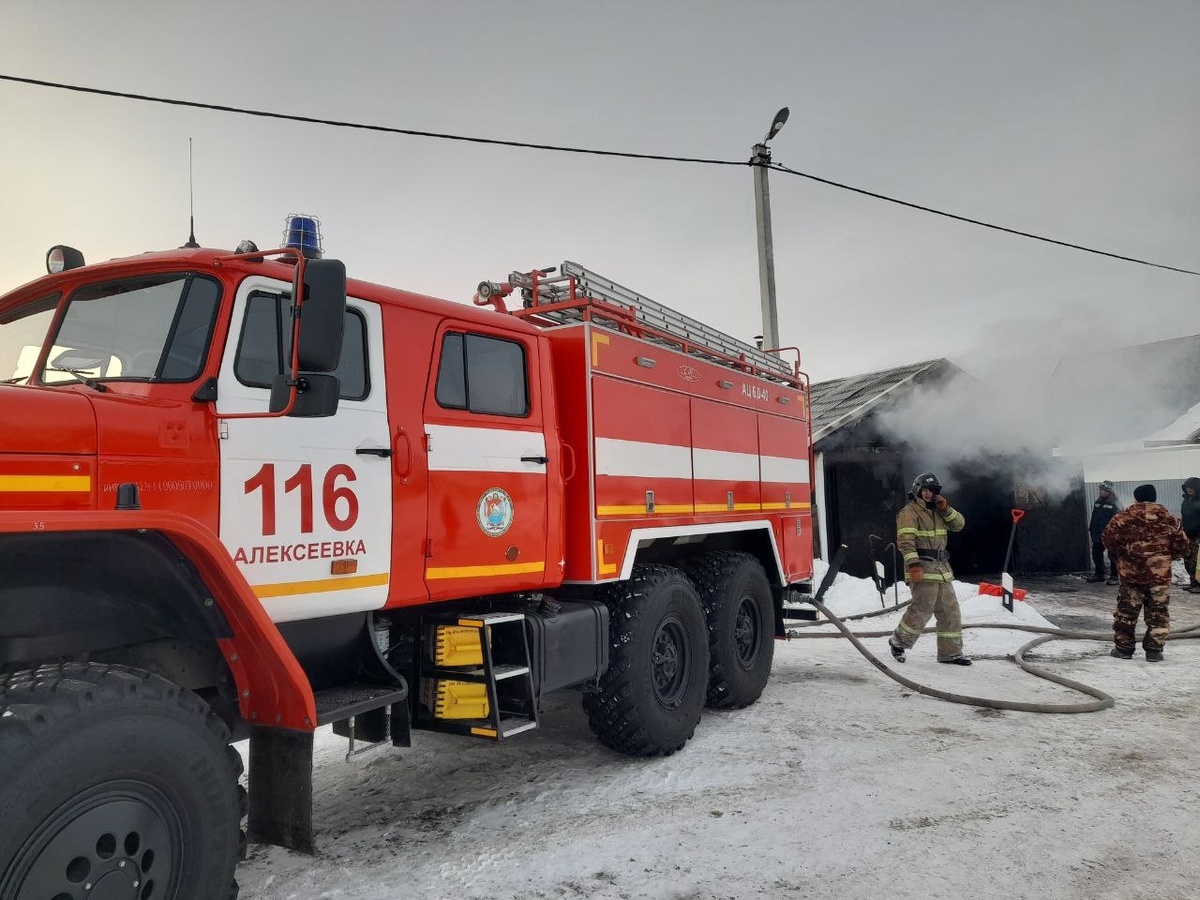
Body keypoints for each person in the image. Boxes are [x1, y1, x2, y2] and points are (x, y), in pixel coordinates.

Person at [888, 472, 970, 665]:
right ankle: (898, 642)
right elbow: (905, 542)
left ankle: (951, 654)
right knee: (922, 609)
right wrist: (914, 565)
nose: (928, 494)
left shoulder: (939, 511)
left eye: (932, 491)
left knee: (950, 610)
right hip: (922, 568)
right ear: (917, 490)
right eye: (925, 490)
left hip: (941, 569)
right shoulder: (909, 513)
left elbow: (959, 525)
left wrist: (946, 509)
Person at [1101, 483, 1188, 662]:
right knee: (1158, 613)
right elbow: (1182, 545)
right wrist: (1163, 558)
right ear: (1155, 498)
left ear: (1136, 498)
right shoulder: (1170, 519)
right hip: (1160, 576)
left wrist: (1124, 555)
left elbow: (1108, 540)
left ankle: (1124, 649)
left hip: (1131, 575)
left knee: (1126, 612)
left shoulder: (1123, 518)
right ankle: (1154, 651)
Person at [1087, 480, 1121, 584]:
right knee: (1096, 554)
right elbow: (1094, 516)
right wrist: (1092, 527)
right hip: (1098, 533)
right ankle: (1099, 574)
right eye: (1100, 489)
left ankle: (1114, 577)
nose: (1100, 492)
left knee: (1113, 555)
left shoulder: (1115, 503)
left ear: (1108, 491)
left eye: (1102, 490)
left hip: (1110, 534)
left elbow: (1119, 520)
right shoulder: (1098, 502)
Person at [1180, 477, 1200, 593]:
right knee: (1188, 560)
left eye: (1191, 487)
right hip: (1188, 534)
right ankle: (1193, 581)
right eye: (1187, 487)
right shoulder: (1186, 501)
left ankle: (1199, 583)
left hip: (1198, 535)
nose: (1189, 490)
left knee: (1197, 561)